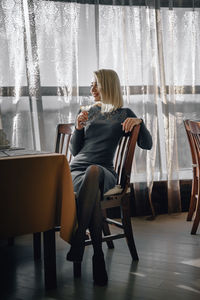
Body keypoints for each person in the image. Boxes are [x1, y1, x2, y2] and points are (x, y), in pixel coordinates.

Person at [66, 69, 152, 286]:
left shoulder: (124, 113)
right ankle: (98, 256)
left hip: (104, 172)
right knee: (91, 190)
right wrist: (78, 128)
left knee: (94, 172)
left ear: (108, 86)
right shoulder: (86, 111)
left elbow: (147, 144)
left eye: (96, 84)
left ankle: (78, 240)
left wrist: (139, 121)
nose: (92, 89)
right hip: (75, 171)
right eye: (91, 84)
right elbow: (76, 152)